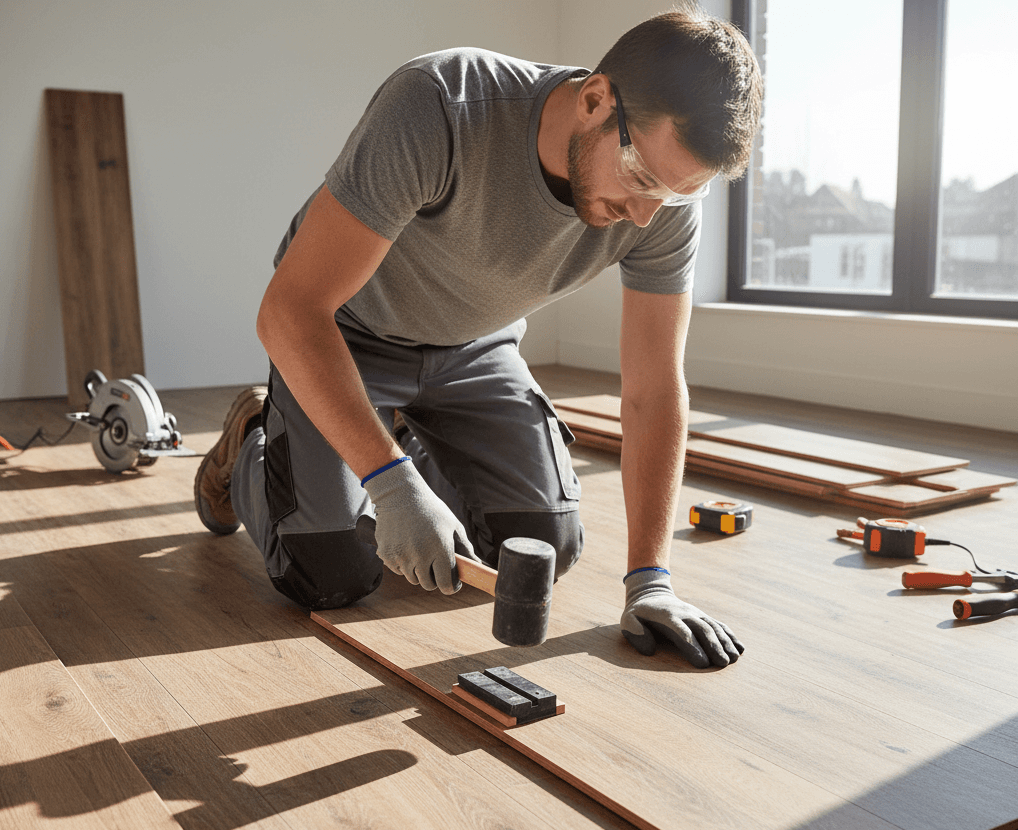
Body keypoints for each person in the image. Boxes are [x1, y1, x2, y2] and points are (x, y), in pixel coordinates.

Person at [195, 4, 762, 669]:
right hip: (349, 334)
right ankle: (254, 446)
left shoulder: (657, 207)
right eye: (639, 179)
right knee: (328, 572)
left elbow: (653, 388)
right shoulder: (442, 105)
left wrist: (651, 581)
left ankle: (393, 437)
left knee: (543, 543)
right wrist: (390, 484)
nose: (642, 214)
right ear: (595, 99)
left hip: (476, 350)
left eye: (671, 197)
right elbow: (289, 312)